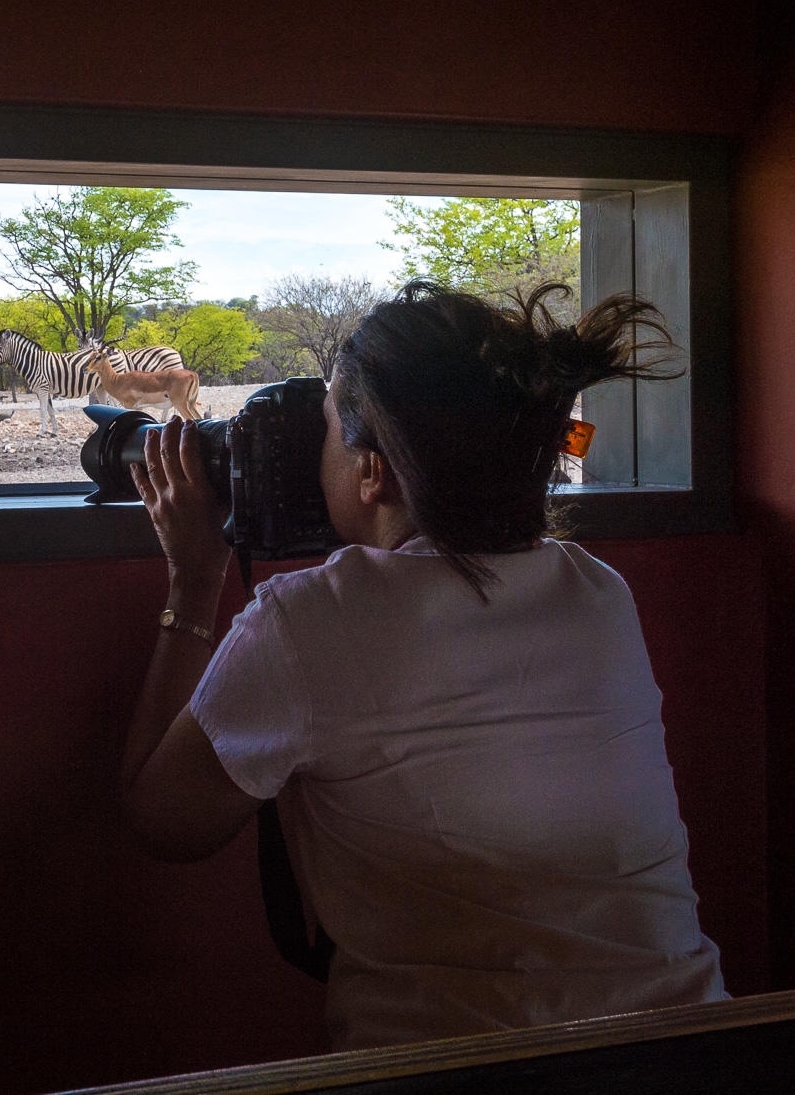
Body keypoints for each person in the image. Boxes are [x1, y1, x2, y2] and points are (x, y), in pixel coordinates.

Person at [119, 281, 726, 1051]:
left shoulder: (308, 621)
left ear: (371, 471)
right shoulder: (598, 593)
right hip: (695, 1045)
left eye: (329, 428)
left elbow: (163, 820)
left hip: (454, 1065)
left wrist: (195, 578)